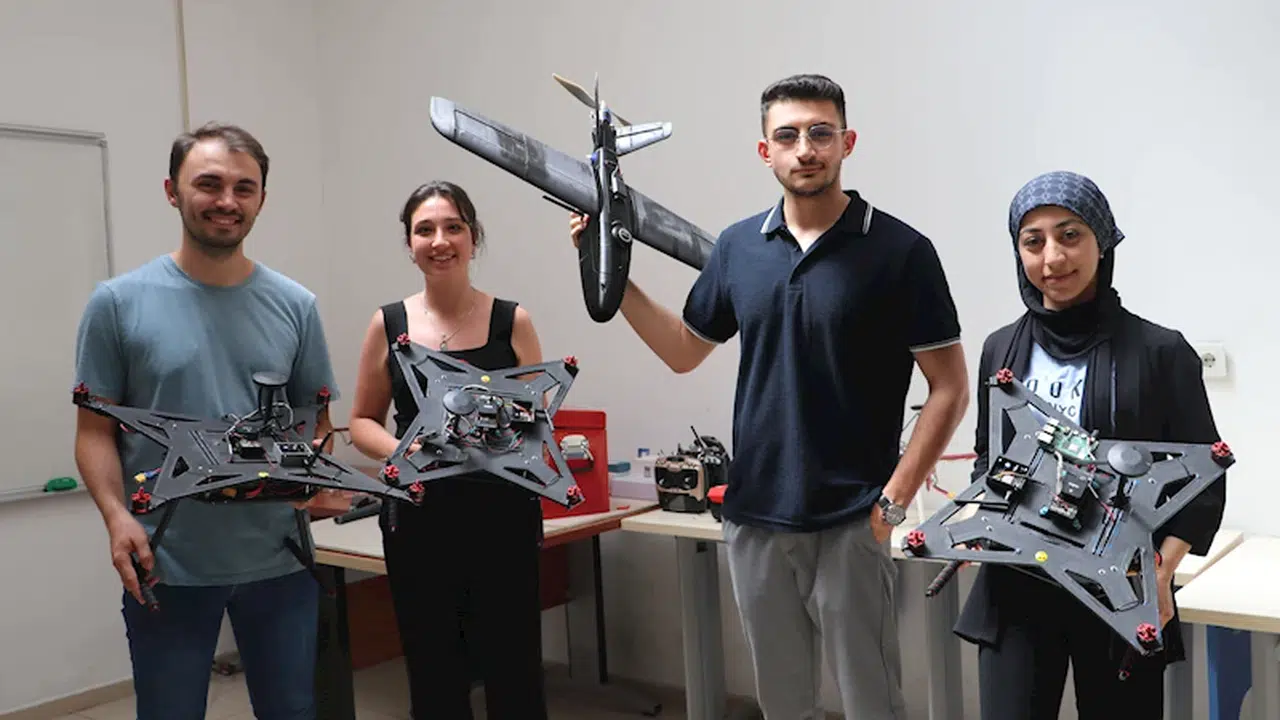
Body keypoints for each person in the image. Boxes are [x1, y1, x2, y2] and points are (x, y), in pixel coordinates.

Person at [568, 73, 970, 719]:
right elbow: (683, 350)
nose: (804, 149)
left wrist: (892, 501)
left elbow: (950, 387)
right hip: (756, 518)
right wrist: (610, 276)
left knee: (872, 702)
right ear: (765, 151)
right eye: (787, 136)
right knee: (782, 705)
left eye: (820, 133)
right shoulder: (738, 247)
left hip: (852, 519)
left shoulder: (900, 251)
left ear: (847, 143)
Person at [73, 122, 339, 719]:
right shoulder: (117, 303)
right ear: (173, 191)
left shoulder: (296, 306)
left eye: (244, 188)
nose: (227, 201)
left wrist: (314, 472)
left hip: (281, 561)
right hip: (166, 564)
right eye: (209, 184)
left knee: (293, 711)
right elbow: (94, 432)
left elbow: (316, 420)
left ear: (262, 199)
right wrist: (117, 517)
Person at [953, 170, 1227, 719]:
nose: (1052, 257)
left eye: (1070, 235)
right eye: (1033, 242)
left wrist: (1159, 574)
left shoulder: (1159, 352)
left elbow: (1203, 483)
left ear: (1103, 241)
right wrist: (982, 519)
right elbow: (989, 458)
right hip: (1018, 588)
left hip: (1118, 586)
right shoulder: (1001, 349)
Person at [348, 180, 549, 719]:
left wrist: (497, 438)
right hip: (420, 519)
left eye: (453, 227)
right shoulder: (388, 324)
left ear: (473, 237)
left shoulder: (513, 322)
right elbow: (361, 421)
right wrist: (411, 449)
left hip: (503, 517)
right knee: (434, 670)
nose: (440, 241)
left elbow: (537, 420)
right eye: (425, 230)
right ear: (409, 244)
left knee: (515, 671)